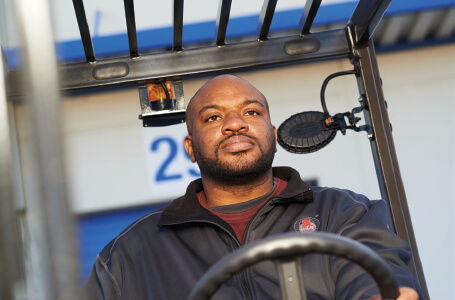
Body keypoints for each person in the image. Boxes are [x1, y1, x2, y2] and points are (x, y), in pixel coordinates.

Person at [81, 75, 422, 299]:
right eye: (213, 117)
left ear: (272, 136)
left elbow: (376, 273)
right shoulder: (129, 253)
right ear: (190, 148)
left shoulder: (344, 213)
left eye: (251, 112)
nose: (234, 124)